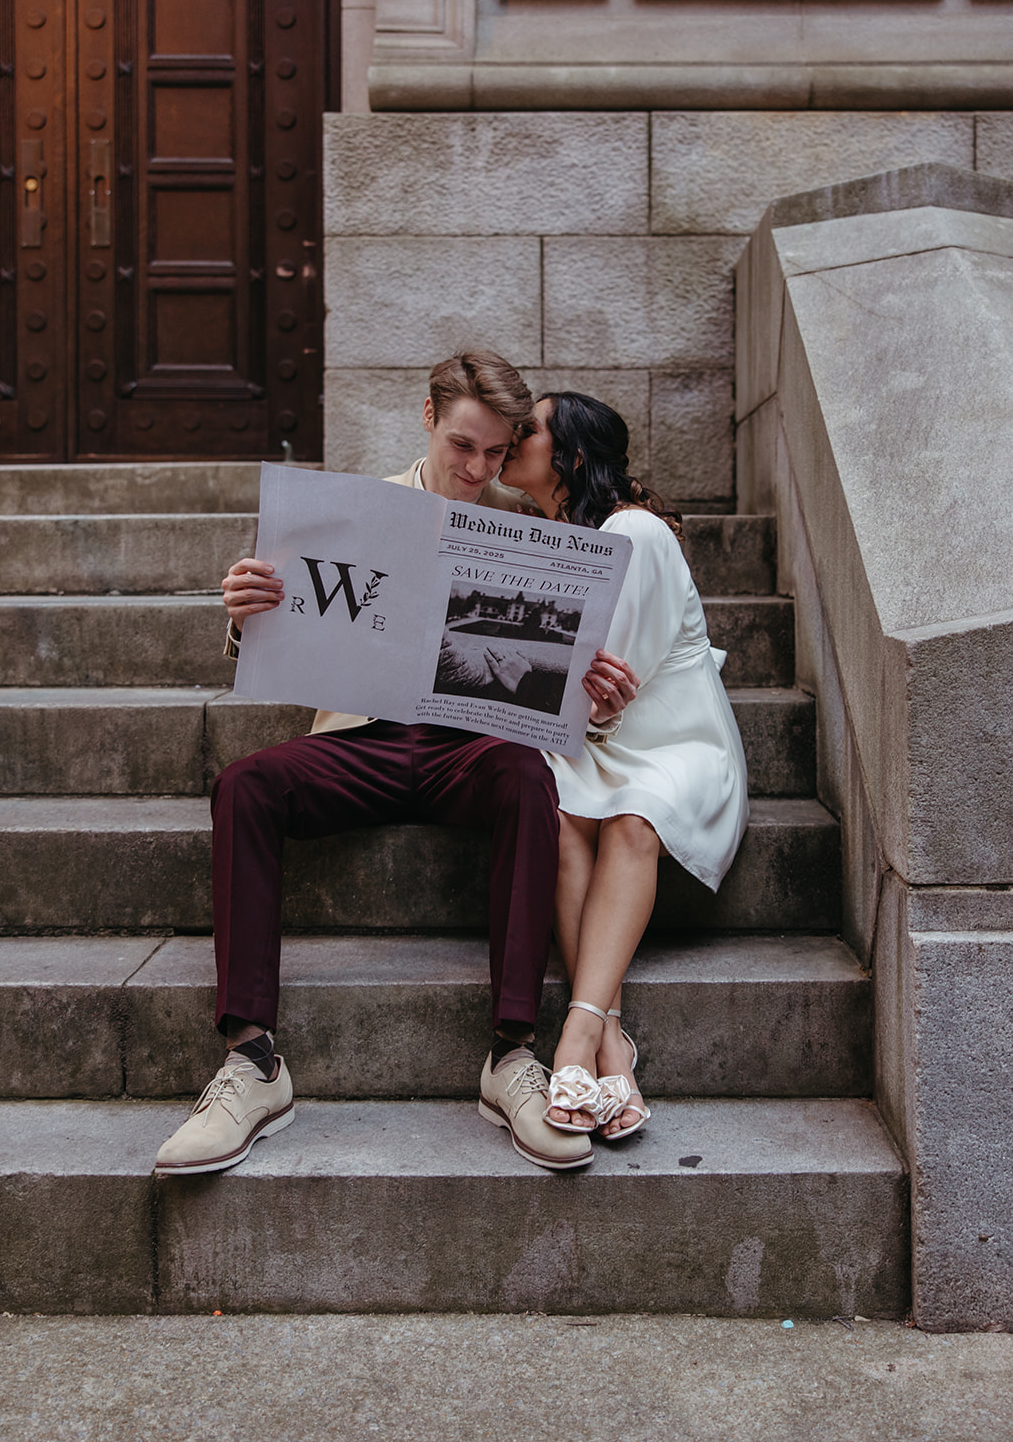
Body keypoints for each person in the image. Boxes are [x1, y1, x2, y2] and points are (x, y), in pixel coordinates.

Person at [154, 351, 605, 1177]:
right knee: (245, 783)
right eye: (464, 446)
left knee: (526, 776)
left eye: (497, 454)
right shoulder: (345, 516)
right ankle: (252, 1062)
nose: (478, 469)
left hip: (470, 749)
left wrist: (596, 686)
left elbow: (560, 674)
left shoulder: (530, 534)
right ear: (429, 419)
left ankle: (511, 1055)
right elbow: (288, 630)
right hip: (360, 740)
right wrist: (247, 610)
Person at [498, 391, 749, 1141]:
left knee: (634, 816)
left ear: (572, 455)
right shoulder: (542, 537)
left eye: (528, 430)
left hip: (673, 749)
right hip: (588, 745)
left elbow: (609, 685)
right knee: (560, 809)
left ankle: (577, 1040)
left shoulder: (632, 531)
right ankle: (613, 1043)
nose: (511, 440)